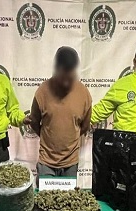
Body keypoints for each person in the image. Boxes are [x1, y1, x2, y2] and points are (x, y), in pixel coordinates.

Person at [30, 47, 92, 178]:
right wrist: (48, 139)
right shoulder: (42, 92)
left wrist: (70, 139)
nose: (66, 82)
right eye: (63, 77)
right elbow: (34, 121)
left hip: (71, 163)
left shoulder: (84, 93)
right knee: (43, 192)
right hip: (46, 162)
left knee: (69, 193)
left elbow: (85, 126)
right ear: (56, 69)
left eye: (69, 77)